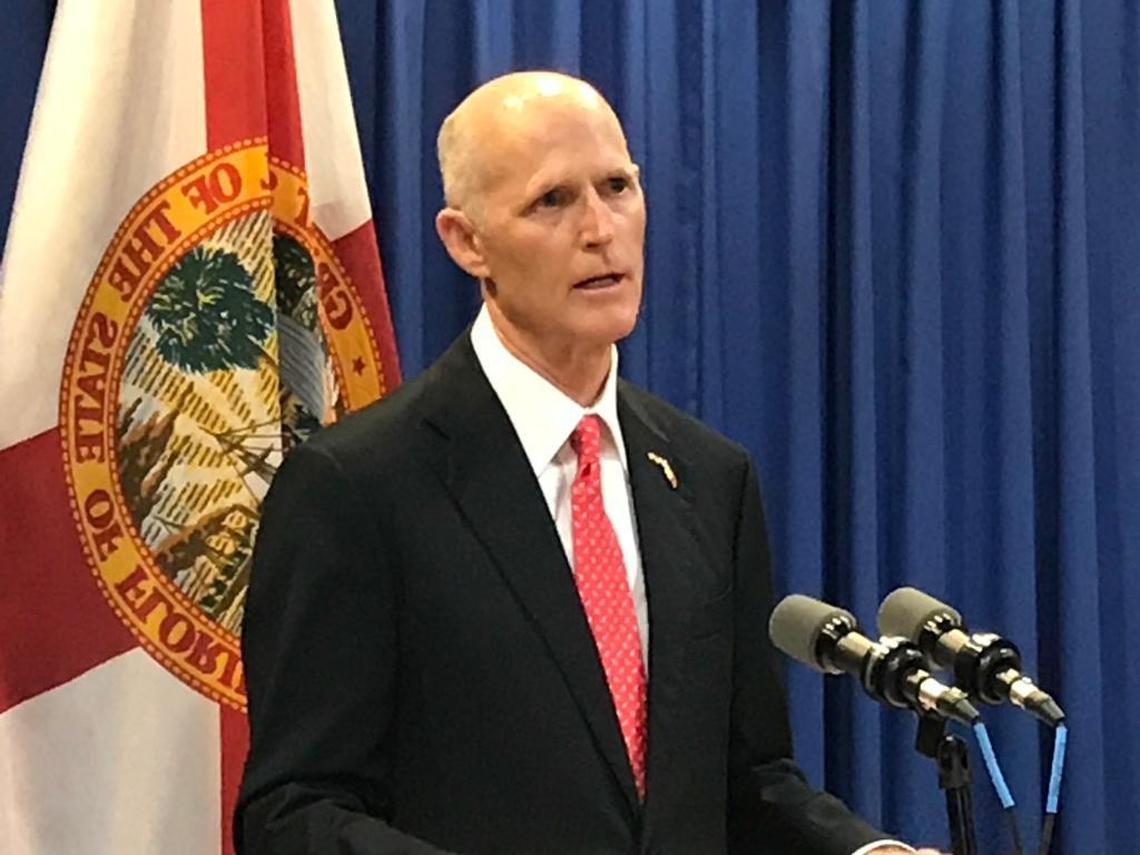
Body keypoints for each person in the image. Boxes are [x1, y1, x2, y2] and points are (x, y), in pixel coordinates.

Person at [235, 71, 942, 855]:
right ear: (467, 241)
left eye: (617, 187)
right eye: (552, 201)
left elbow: (747, 781)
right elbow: (294, 809)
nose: (601, 230)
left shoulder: (710, 478)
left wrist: (866, 851)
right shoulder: (358, 487)